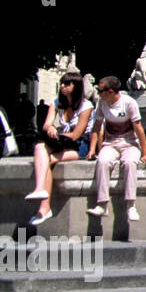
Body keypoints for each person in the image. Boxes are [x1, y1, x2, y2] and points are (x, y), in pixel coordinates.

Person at [26, 72, 94, 224]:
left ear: (76, 87)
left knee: (48, 160)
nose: (62, 86)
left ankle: (44, 209)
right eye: (62, 83)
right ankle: (39, 190)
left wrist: (58, 134)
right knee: (39, 147)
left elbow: (77, 134)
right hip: (62, 141)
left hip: (79, 146)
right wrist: (50, 129)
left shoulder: (86, 106)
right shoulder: (56, 102)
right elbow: (46, 124)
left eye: (67, 84)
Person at [85, 76, 146, 221]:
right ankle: (102, 204)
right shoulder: (101, 103)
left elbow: (139, 129)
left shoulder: (129, 103)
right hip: (111, 143)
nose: (98, 93)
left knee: (130, 163)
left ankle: (131, 205)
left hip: (130, 143)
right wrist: (92, 150)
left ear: (110, 91)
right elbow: (96, 128)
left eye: (100, 90)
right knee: (103, 162)